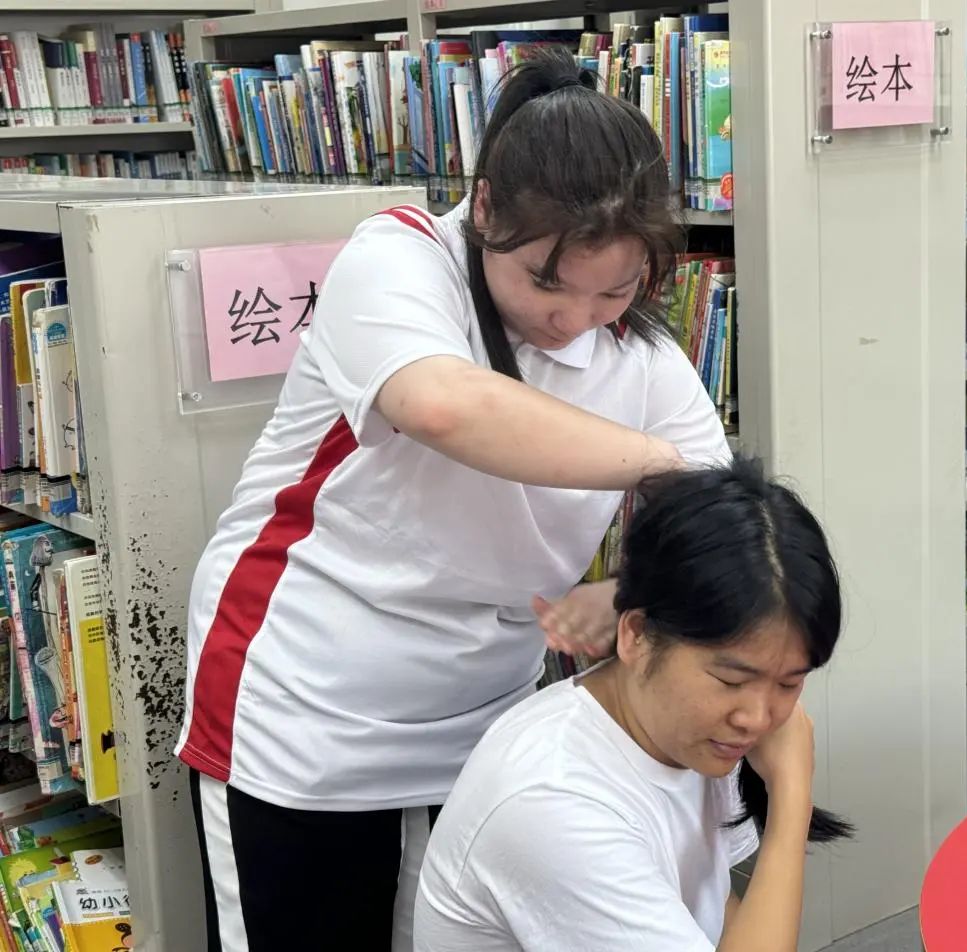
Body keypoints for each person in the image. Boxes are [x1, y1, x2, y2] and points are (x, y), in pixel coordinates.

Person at [174, 45, 731, 952]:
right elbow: (442, 405)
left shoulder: (639, 354)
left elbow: (717, 522)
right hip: (307, 700)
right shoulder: (398, 258)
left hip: (486, 710)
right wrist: (656, 463)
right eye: (545, 281)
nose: (572, 319)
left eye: (614, 289)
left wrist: (628, 592)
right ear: (485, 210)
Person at [414, 458, 853, 952]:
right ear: (636, 635)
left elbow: (708, 907)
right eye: (731, 680)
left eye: (790, 683)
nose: (757, 718)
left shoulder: (687, 729)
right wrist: (792, 795)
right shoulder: (553, 801)